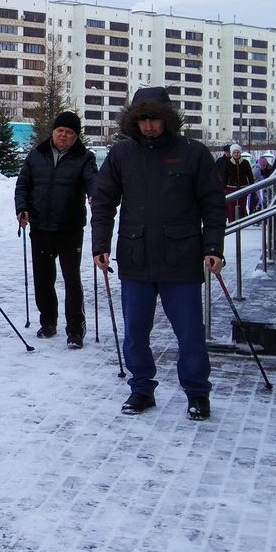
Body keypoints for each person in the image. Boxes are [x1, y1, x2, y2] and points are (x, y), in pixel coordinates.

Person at [90, 87, 225, 421]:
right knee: (136, 330)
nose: (149, 126)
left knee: (190, 332)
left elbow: (213, 203)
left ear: (168, 119)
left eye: (154, 119)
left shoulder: (193, 153)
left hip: (181, 256)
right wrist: (100, 245)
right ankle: (141, 388)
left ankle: (196, 393)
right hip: (136, 256)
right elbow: (103, 200)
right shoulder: (122, 155)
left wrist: (213, 247)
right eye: (142, 120)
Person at [14, 110, 98, 348]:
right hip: (40, 227)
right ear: (53, 131)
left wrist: (95, 195)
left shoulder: (84, 158)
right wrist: (22, 208)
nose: (64, 135)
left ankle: (75, 329)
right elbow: (23, 185)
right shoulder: (36, 155)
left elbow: (93, 181)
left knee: (72, 279)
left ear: (76, 136)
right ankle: (48, 321)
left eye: (69, 132)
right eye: (60, 130)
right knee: (43, 279)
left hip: (70, 228)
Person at [217, 143, 256, 223]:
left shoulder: (245, 163)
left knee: (242, 204)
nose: (236, 154)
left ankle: (243, 220)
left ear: (240, 153)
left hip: (243, 186)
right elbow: (225, 176)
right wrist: (224, 187)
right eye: (234, 152)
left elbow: (249, 175)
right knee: (231, 205)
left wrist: (252, 186)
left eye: (237, 152)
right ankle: (232, 221)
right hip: (231, 187)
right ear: (232, 153)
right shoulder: (228, 163)